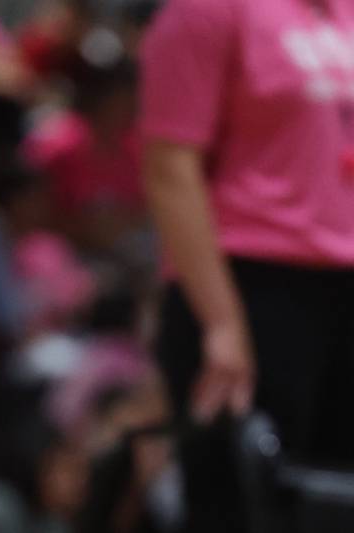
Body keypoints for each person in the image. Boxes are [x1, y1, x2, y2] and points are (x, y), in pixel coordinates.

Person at [140, 0, 354, 532]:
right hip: (250, 286)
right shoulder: (208, 10)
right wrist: (220, 321)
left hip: (341, 289)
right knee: (241, 507)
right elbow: (169, 165)